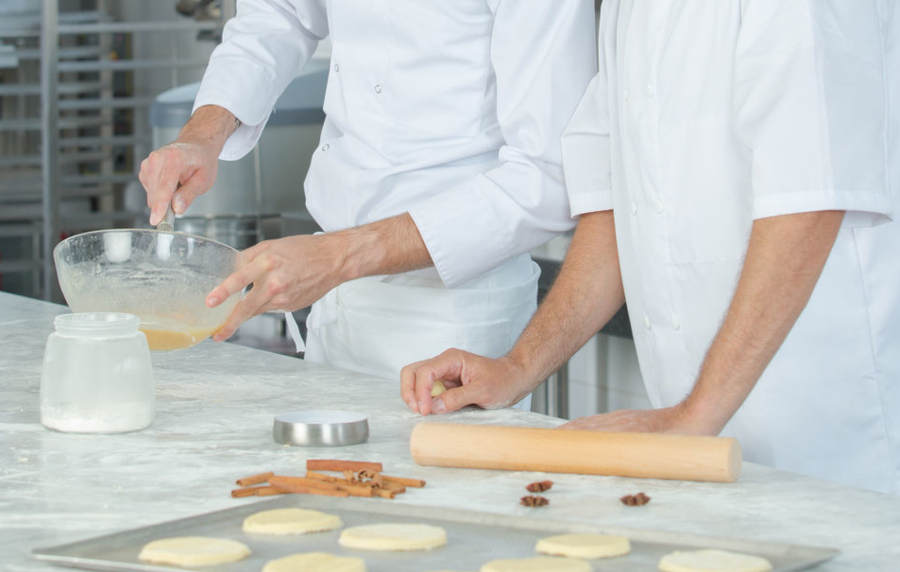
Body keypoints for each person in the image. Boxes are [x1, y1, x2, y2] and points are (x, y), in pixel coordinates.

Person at [401, 0, 900, 495]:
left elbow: (807, 209)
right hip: (689, 429)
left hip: (826, 436)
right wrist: (517, 368)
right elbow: (615, 210)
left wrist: (693, 416)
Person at [138, 1, 597, 382]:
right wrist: (203, 133)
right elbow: (281, 13)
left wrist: (339, 257)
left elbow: (547, 176)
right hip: (336, 300)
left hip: (454, 315)